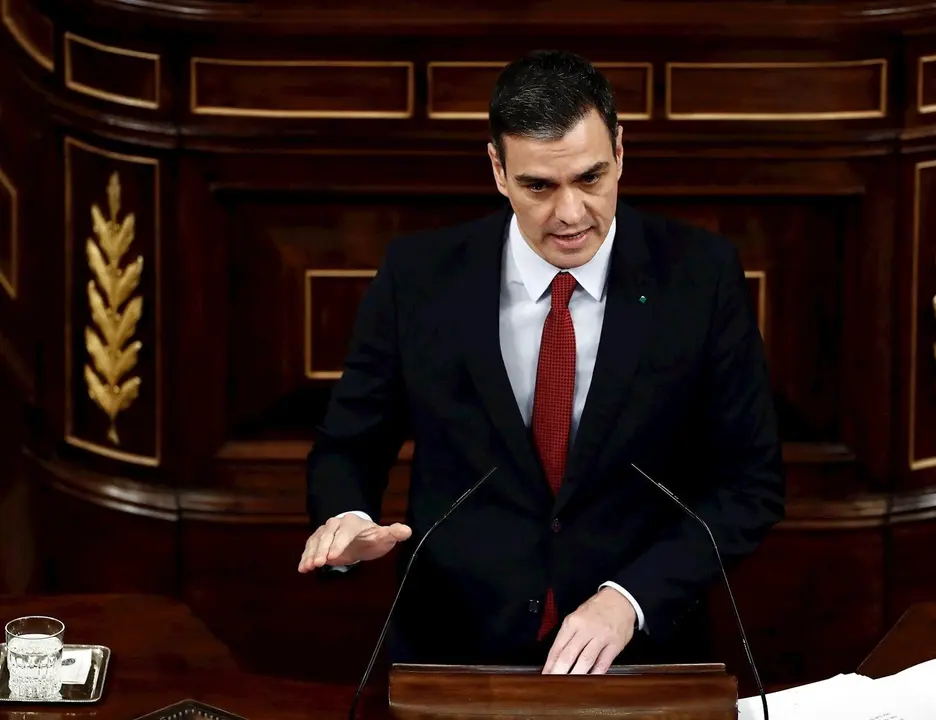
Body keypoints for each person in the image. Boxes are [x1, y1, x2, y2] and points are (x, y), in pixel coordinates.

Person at [299, 49, 784, 675]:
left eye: (590, 178)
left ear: (619, 152)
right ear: (498, 170)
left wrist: (632, 599)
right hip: (455, 650)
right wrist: (347, 519)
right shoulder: (418, 277)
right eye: (539, 186)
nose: (571, 214)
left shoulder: (701, 276)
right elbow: (350, 443)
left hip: (640, 651)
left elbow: (750, 484)